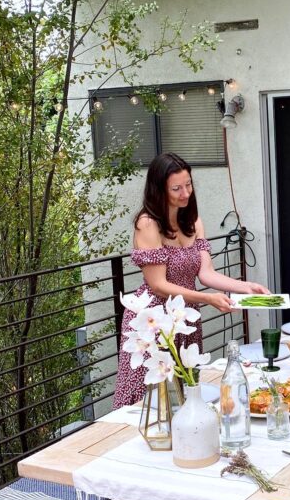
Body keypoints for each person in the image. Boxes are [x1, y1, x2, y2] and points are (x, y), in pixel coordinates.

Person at [114, 152, 269, 408]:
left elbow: (206, 273)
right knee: (149, 399)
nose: (185, 193)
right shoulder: (148, 223)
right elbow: (158, 285)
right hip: (154, 321)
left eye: (188, 185)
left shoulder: (193, 220)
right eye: (176, 188)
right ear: (159, 189)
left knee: (184, 391)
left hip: (184, 316)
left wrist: (246, 286)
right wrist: (207, 299)